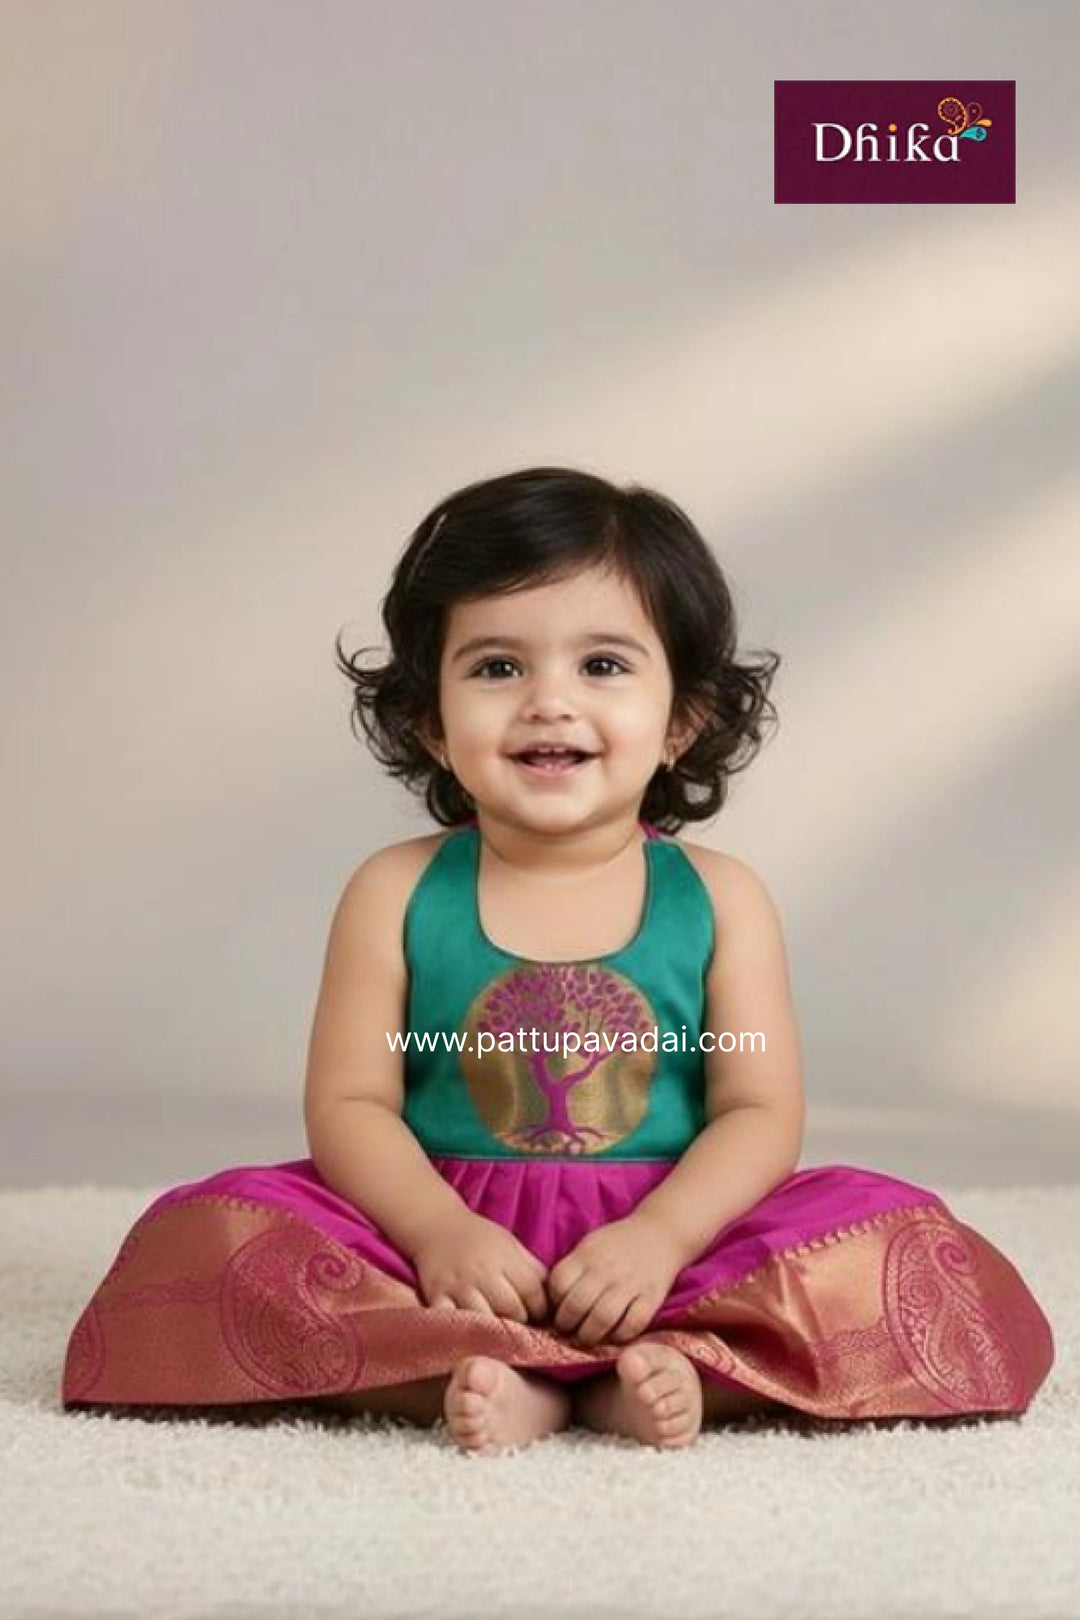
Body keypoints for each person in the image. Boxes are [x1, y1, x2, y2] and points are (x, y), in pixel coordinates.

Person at [61, 465, 1055, 1456]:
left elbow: (758, 1112)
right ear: (428, 722)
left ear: (682, 721)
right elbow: (351, 1105)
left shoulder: (721, 899)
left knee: (904, 1252)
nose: (547, 702)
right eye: (496, 667)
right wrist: (436, 1233)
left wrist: (659, 1239)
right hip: (443, 1240)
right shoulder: (394, 891)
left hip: (668, 1244)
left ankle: (674, 1371)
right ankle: (484, 1374)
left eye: (603, 666)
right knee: (206, 1245)